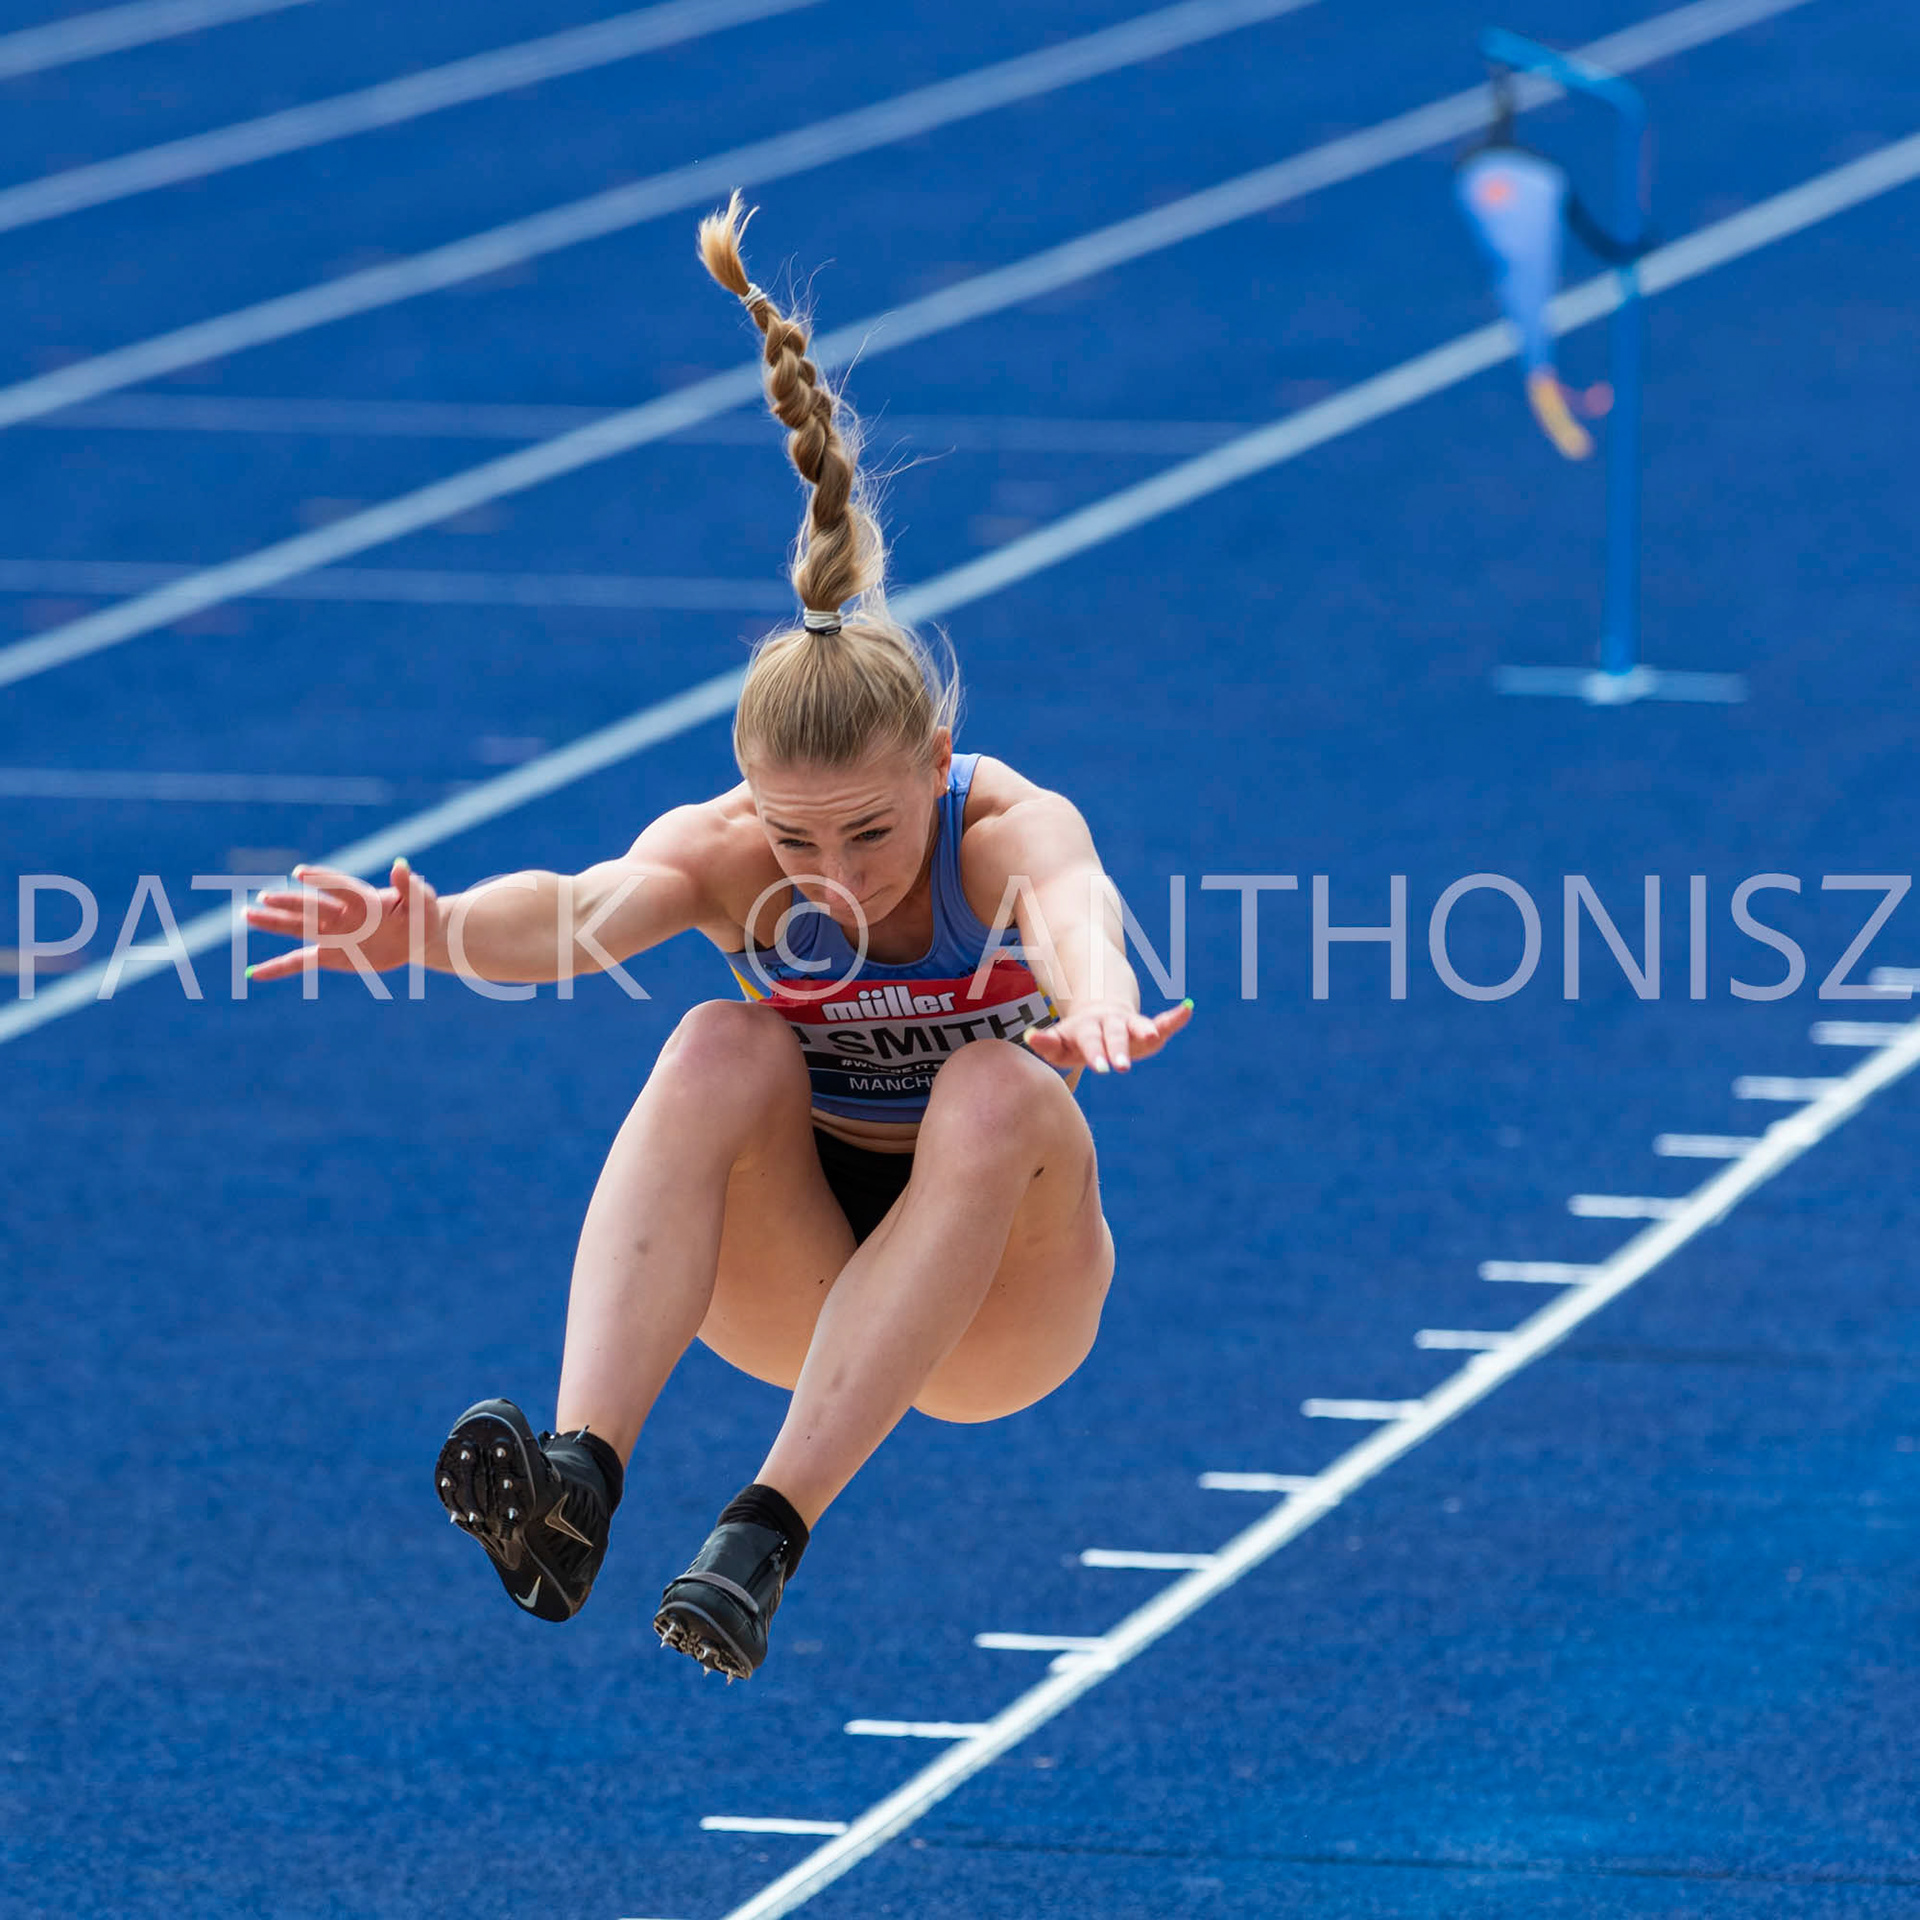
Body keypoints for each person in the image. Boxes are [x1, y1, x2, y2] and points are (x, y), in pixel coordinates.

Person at [245, 194, 1192, 1681]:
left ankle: (762, 1532)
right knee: (716, 1039)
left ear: (936, 764)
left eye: (870, 835)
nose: (828, 877)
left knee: (1002, 1088)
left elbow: (1075, 902)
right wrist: (427, 931)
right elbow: (573, 916)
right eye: (794, 835)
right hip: (807, 1285)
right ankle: (578, 1485)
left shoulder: (999, 827)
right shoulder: (728, 854)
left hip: (1002, 1306)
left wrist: (1099, 1006)